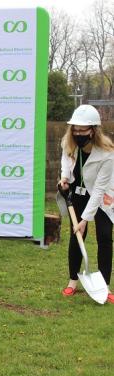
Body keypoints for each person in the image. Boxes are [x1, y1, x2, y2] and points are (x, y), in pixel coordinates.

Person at [57, 104, 114, 302]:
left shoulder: (107, 154)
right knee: (77, 235)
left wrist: (85, 218)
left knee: (105, 237)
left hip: (103, 196)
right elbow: (66, 160)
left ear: (93, 130)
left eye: (83, 130)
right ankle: (73, 281)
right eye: (76, 129)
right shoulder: (69, 142)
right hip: (78, 194)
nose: (78, 133)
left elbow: (99, 190)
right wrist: (64, 177)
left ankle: (104, 286)